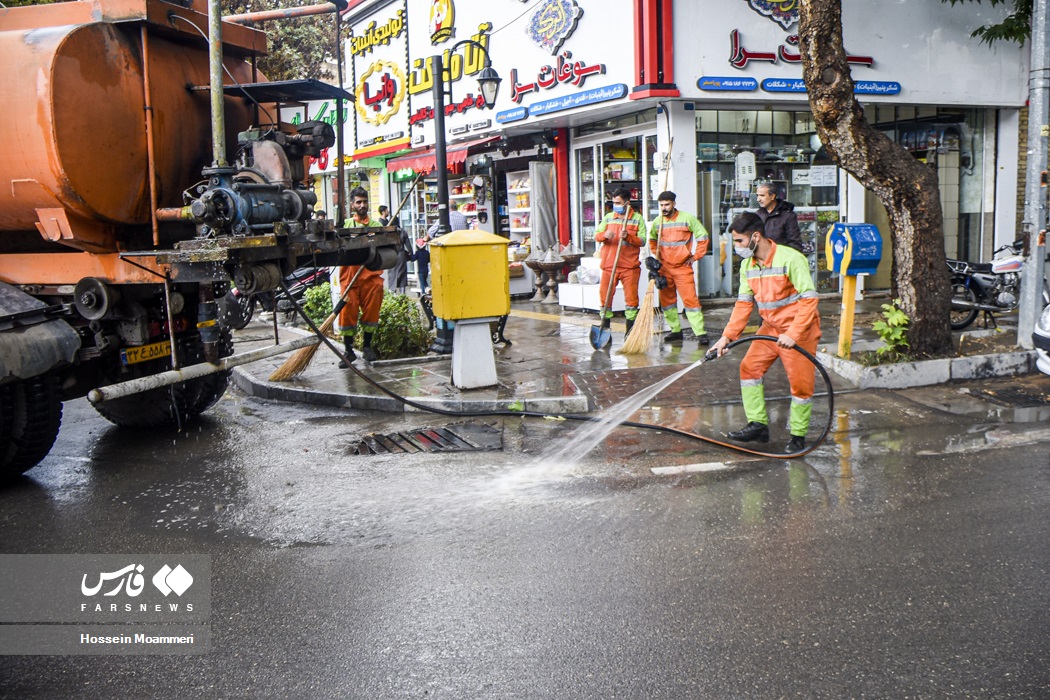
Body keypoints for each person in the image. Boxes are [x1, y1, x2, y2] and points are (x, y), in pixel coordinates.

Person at [709, 212, 821, 453]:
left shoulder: (791, 259)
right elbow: (743, 305)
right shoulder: (748, 266)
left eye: (739, 241)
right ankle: (758, 425)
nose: (736, 247)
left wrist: (793, 332)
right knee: (749, 368)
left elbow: (809, 299)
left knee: (800, 387)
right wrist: (726, 337)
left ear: (756, 237)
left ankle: (798, 436)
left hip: (798, 331)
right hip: (770, 328)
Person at [646, 191, 710, 345]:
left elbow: (703, 237)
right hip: (664, 268)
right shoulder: (657, 222)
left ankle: (700, 333)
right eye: (661, 205)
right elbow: (652, 240)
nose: (664, 208)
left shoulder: (687, 218)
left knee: (691, 301)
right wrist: (657, 256)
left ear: (674, 203)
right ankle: (675, 331)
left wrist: (695, 256)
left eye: (667, 204)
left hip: (682, 267)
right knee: (667, 302)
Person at [334, 187, 384, 366]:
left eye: (365, 201)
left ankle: (367, 347)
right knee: (347, 311)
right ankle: (348, 351)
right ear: (352, 204)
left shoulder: (376, 226)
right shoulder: (346, 225)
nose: (362, 205)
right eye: (358, 202)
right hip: (349, 278)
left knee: (372, 310)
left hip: (371, 278)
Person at [594, 187, 646, 342]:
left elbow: (643, 240)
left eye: (618, 202)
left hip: (629, 267)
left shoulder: (637, 219)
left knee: (631, 302)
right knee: (605, 300)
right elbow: (597, 235)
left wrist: (629, 237)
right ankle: (605, 331)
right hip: (610, 265)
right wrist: (604, 235)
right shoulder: (609, 217)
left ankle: (630, 333)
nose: (615, 205)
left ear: (627, 203)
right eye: (614, 202)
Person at [423, 208, 470, 353]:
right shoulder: (463, 218)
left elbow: (429, 235)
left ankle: (447, 331)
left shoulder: (444, 218)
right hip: (462, 258)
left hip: (446, 260)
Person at [754, 182, 805, 253]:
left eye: (762, 196)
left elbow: (795, 243)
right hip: (761, 259)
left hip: (780, 260)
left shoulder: (787, 216)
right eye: (757, 196)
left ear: (772, 196)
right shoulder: (758, 214)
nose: (758, 199)